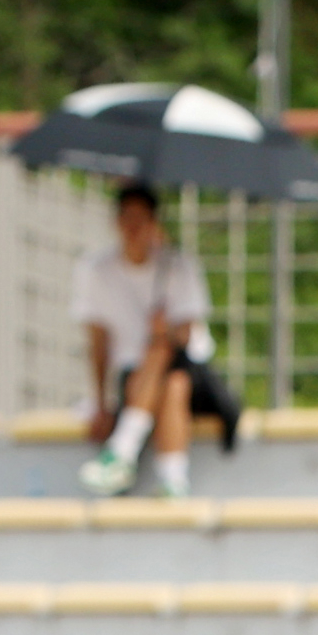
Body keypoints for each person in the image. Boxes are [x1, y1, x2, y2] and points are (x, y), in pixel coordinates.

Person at [75, 183, 236, 498]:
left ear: (153, 222)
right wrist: (100, 403)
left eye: (141, 219)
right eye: (128, 219)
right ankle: (174, 480)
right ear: (117, 221)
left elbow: (186, 336)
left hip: (189, 367)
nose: (134, 228)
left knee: (163, 352)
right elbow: (99, 344)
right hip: (142, 380)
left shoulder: (177, 265)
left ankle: (123, 450)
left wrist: (164, 331)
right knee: (173, 384)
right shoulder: (96, 271)